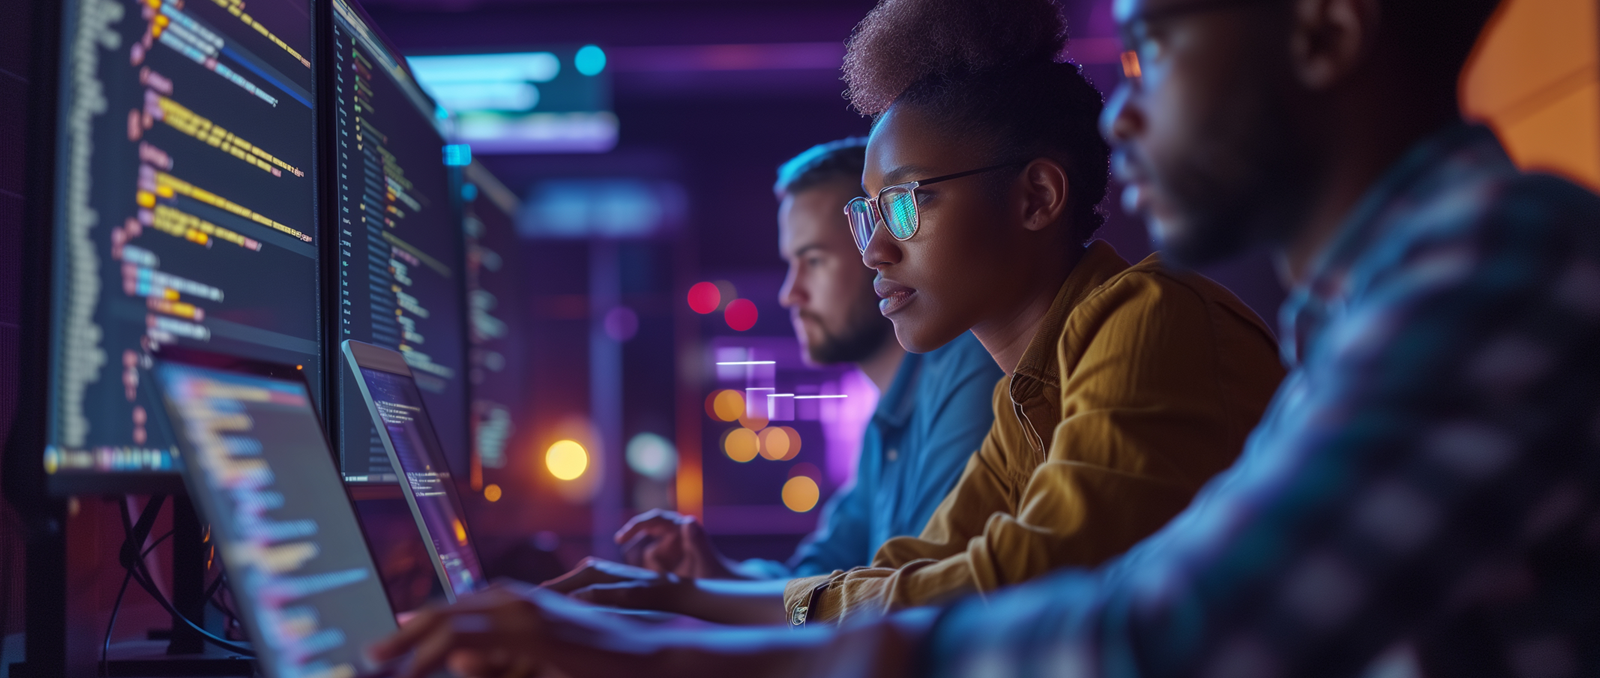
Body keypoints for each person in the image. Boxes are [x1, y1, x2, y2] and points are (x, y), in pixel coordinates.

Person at [368, 0, 1600, 673]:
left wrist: (651, 652)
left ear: (1325, 30)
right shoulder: (1064, 377)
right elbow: (921, 578)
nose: (1125, 108)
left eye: (1156, 42)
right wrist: (650, 613)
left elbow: (1144, 631)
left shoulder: (1487, 262)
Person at [613, 138, 1003, 584]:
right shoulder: (887, 423)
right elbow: (819, 575)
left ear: (876, 249)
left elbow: (908, 596)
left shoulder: (969, 364)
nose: (789, 294)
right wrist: (716, 575)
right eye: (790, 264)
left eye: (814, 260)